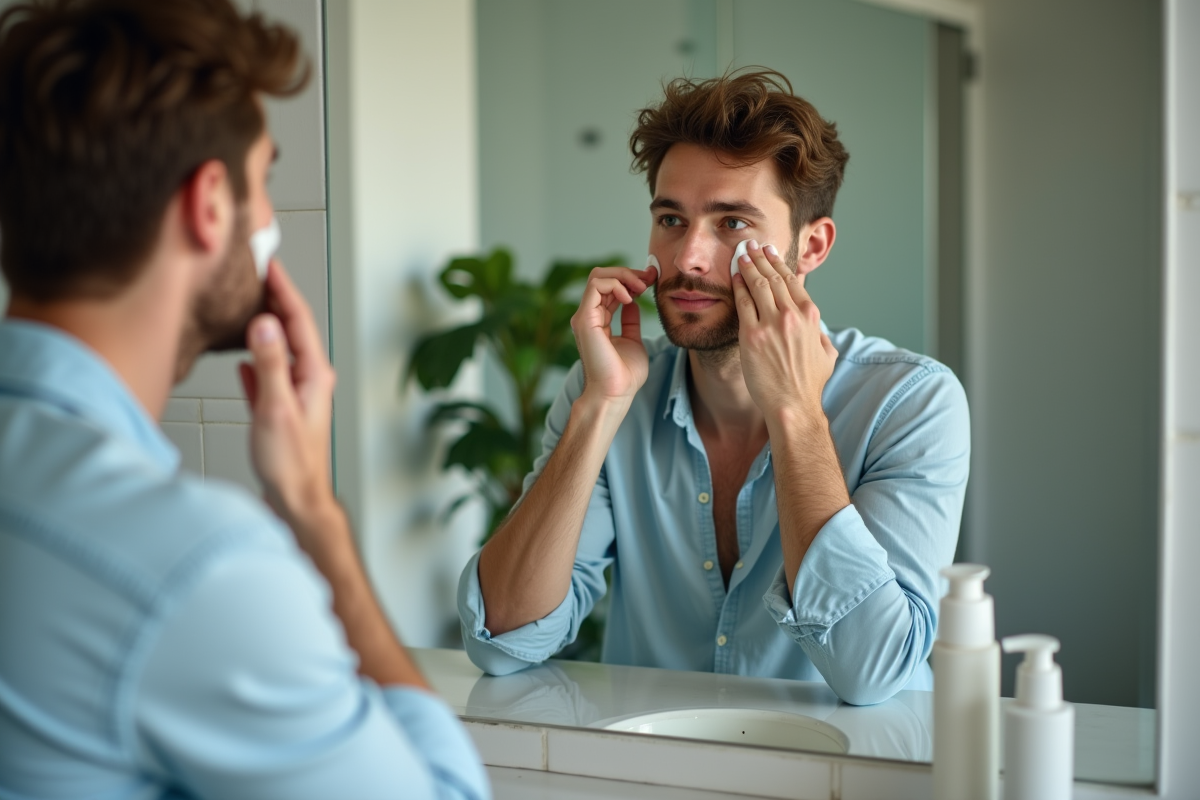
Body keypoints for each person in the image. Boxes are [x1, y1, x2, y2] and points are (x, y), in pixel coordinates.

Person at [0, 1, 488, 797]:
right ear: (210, 204)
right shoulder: (196, 569)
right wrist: (316, 518)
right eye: (265, 181)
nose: (269, 222)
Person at [457, 70, 970, 706]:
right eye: (671, 218)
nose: (689, 257)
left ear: (811, 245)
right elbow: (502, 642)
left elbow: (874, 673)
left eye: (732, 224)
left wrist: (795, 413)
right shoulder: (611, 392)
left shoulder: (910, 403)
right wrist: (601, 408)